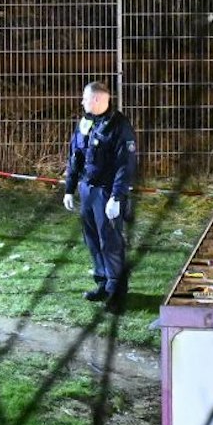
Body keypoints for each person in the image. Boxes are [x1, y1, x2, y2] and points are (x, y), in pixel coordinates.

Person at [62, 81, 138, 309]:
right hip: (88, 189)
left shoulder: (119, 126)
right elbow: (75, 155)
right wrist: (69, 188)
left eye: (85, 98)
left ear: (96, 100)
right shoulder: (86, 122)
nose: (82, 102)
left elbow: (126, 165)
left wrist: (117, 196)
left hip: (107, 192)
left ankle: (117, 291)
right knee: (92, 239)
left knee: (111, 241)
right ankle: (103, 282)